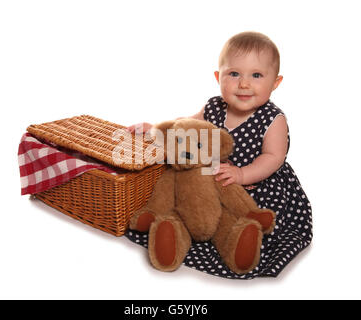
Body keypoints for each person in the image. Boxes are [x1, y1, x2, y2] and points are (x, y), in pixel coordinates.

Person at [126, 31, 312, 279]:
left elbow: (273, 157)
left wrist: (242, 174)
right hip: (206, 186)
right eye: (234, 74)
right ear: (218, 77)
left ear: (275, 83)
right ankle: (171, 234)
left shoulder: (272, 119)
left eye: (256, 75)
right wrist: (158, 130)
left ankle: (238, 242)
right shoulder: (214, 106)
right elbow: (188, 126)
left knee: (239, 217)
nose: (244, 84)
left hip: (254, 187)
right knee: (186, 203)